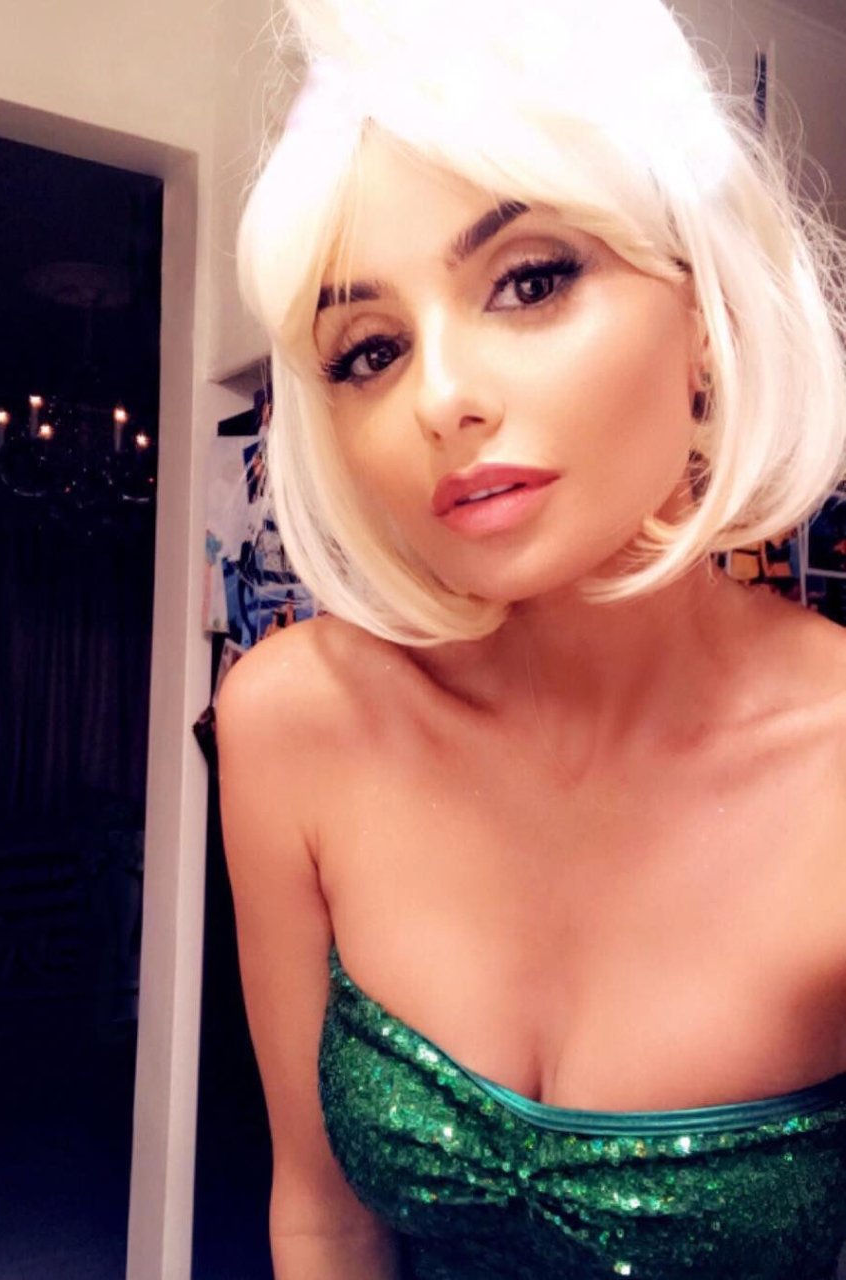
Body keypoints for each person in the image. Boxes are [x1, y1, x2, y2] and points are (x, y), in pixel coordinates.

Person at [215, 0, 846, 1275]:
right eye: (370, 349)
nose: (441, 397)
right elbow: (323, 1213)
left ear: (702, 317)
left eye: (530, 279)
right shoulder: (293, 725)